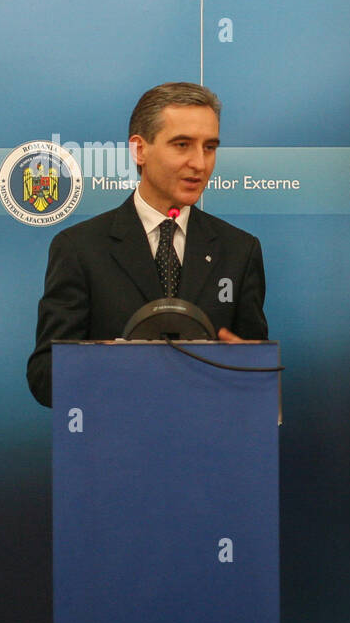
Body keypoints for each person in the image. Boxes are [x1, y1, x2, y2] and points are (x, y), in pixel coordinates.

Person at [27, 82, 268, 407]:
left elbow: (258, 370)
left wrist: (249, 368)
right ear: (140, 149)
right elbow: (45, 379)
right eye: (182, 145)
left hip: (210, 445)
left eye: (209, 147)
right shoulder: (79, 248)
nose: (199, 163)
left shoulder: (240, 250)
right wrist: (106, 362)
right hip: (113, 447)